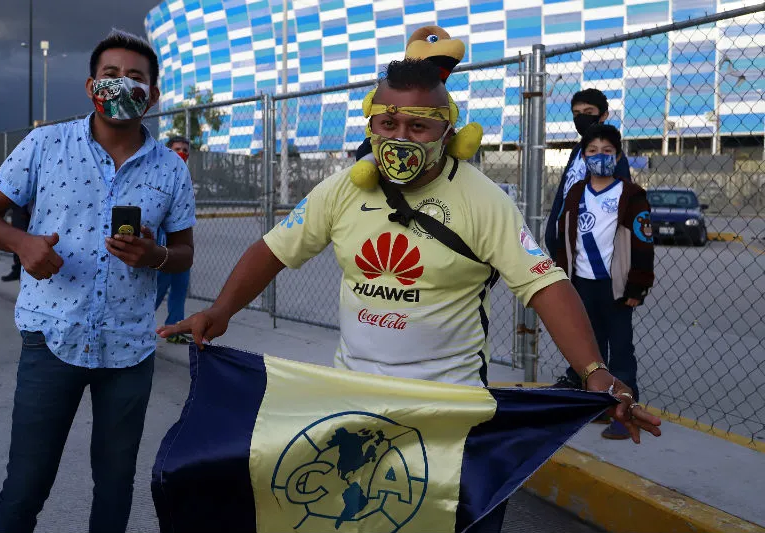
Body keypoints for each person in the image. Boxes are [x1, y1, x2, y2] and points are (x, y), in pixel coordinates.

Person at [159, 58, 661, 529]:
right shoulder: (341, 191)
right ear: (371, 126)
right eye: (388, 125)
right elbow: (273, 249)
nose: (400, 138)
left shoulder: (483, 200)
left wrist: (595, 372)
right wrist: (220, 312)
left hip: (448, 411)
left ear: (447, 132)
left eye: (418, 127)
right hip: (355, 403)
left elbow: (544, 283)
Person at [0, 29, 196, 533]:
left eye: (135, 78)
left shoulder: (171, 170)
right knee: (26, 484)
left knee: (115, 487)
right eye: (111, 75)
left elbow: (183, 254)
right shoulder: (45, 145)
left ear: (153, 96)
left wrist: (155, 255)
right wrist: (22, 244)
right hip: (51, 338)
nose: (122, 85)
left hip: (129, 349)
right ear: (92, 87)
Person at [555, 124, 655, 440]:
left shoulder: (631, 195)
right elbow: (563, 239)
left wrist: (637, 285)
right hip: (581, 285)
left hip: (616, 287)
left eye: (607, 152)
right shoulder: (575, 193)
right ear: (584, 157)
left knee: (621, 350)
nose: (600, 157)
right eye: (593, 152)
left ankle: (625, 412)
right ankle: (598, 407)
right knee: (591, 349)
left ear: (619, 156)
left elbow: (642, 244)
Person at [544, 89, 631, 259]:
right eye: (576, 113)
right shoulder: (577, 151)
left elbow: (624, 203)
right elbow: (563, 193)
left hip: (592, 249)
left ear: (603, 115)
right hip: (564, 245)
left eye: (588, 112)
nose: (581, 118)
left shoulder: (613, 156)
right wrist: (551, 232)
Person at [156, 135, 193, 344]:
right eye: (178, 149)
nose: (182, 153)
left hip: (180, 242)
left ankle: (175, 328)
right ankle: (136, 324)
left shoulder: (187, 175)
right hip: (163, 243)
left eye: (186, 150)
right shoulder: (162, 174)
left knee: (181, 284)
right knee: (160, 287)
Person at [1, 204, 31, 282]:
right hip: (19, 207)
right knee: (17, 241)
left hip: (30, 208)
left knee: (26, 241)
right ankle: (17, 271)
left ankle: (23, 271)